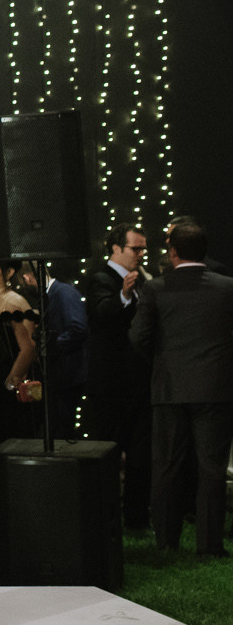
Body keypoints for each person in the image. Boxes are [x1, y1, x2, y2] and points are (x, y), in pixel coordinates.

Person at [129, 218, 233, 558]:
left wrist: (162, 363)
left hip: (169, 388)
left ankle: (166, 542)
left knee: (167, 466)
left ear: (172, 252)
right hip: (215, 388)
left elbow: (138, 338)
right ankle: (209, 545)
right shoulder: (226, 287)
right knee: (212, 468)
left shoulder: (156, 288)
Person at [85, 225, 154, 530]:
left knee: (140, 454)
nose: (140, 254)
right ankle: (105, 515)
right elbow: (101, 314)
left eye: (142, 249)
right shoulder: (101, 278)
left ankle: (137, 518)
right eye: (135, 249)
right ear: (115, 248)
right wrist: (124, 296)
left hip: (138, 382)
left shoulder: (143, 281)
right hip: (110, 384)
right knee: (108, 452)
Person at [0, 246, 40, 442]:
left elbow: (28, 349)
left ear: (9, 272)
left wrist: (10, 385)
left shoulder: (15, 303)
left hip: (7, 391)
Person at [30, 260, 89, 440]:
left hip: (69, 373)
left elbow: (78, 328)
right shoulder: (56, 294)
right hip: (63, 374)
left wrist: (52, 344)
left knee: (63, 427)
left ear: (27, 276)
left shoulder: (62, 292)